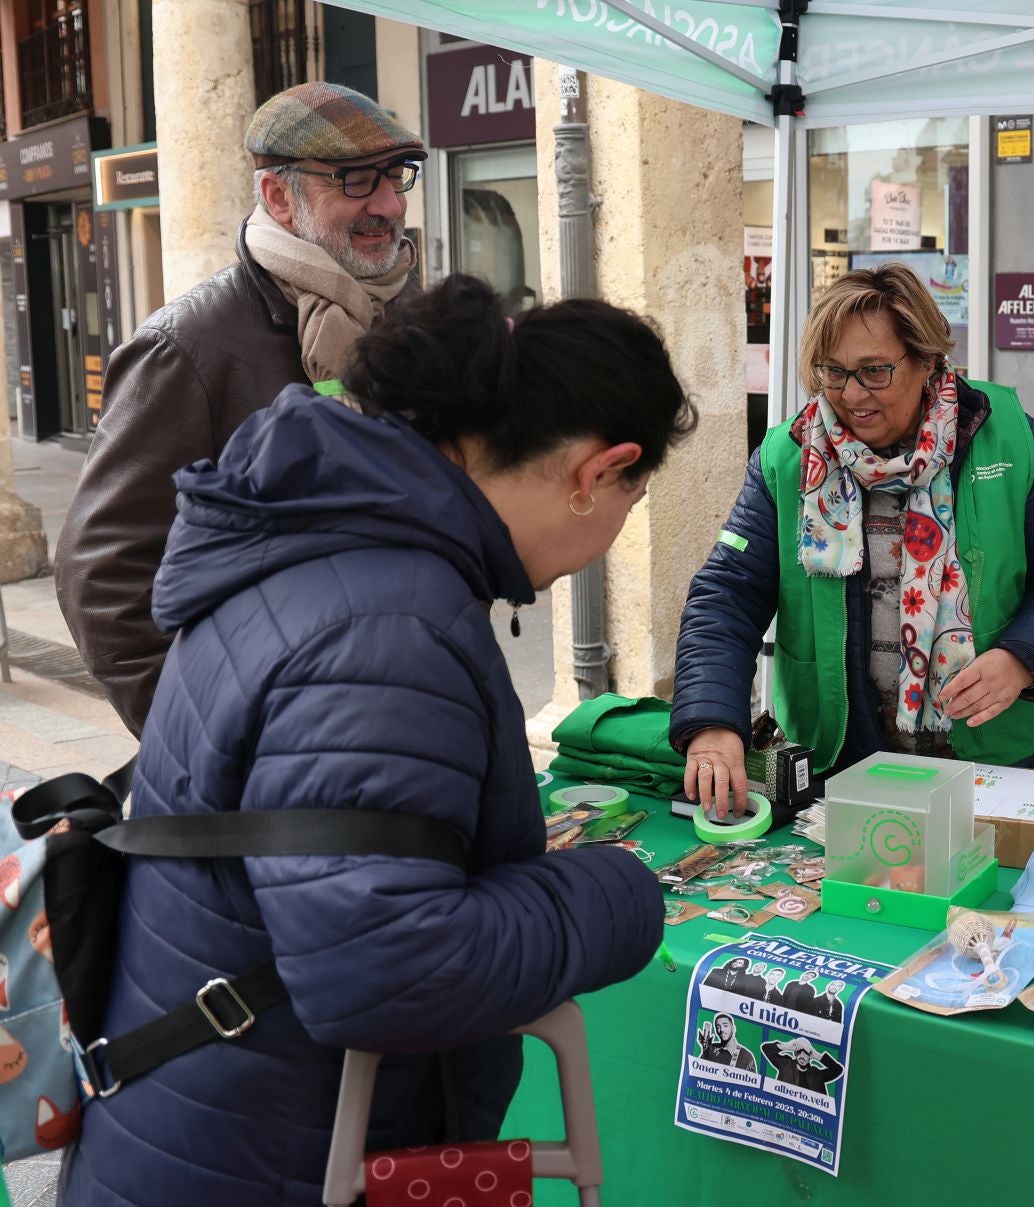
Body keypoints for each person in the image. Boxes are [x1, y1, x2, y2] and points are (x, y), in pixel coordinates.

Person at [61, 275, 690, 1206]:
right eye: (631, 506)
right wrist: (618, 893)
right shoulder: (387, 623)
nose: (607, 538)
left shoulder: (335, 538)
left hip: (220, 1121)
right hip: (260, 1154)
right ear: (597, 472)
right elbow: (390, 966)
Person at [57, 82, 426, 734]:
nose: (391, 204)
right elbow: (102, 578)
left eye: (397, 177)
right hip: (277, 742)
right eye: (356, 181)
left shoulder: (408, 322)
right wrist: (211, 737)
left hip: (408, 704)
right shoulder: (187, 346)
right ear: (279, 197)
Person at [673, 263, 1034, 814]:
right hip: (843, 757)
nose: (852, 395)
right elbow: (726, 594)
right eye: (833, 371)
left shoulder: (1005, 436)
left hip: (989, 756)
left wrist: (1021, 659)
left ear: (926, 360)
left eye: (875, 371)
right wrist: (711, 722)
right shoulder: (788, 456)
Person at [761, 1038, 845, 1093]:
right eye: (799, 1052)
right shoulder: (786, 1065)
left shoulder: (817, 1075)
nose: (802, 1056)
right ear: (795, 1053)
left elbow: (838, 1070)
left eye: (805, 1053)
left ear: (810, 1056)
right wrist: (787, 1046)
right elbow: (766, 1049)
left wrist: (817, 1056)